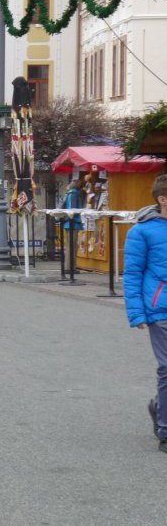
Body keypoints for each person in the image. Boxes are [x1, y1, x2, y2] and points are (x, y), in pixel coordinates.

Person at [123, 174, 167, 455]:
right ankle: (165, 429)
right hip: (160, 309)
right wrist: (137, 313)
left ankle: (159, 406)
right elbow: (132, 274)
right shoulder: (142, 231)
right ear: (162, 199)